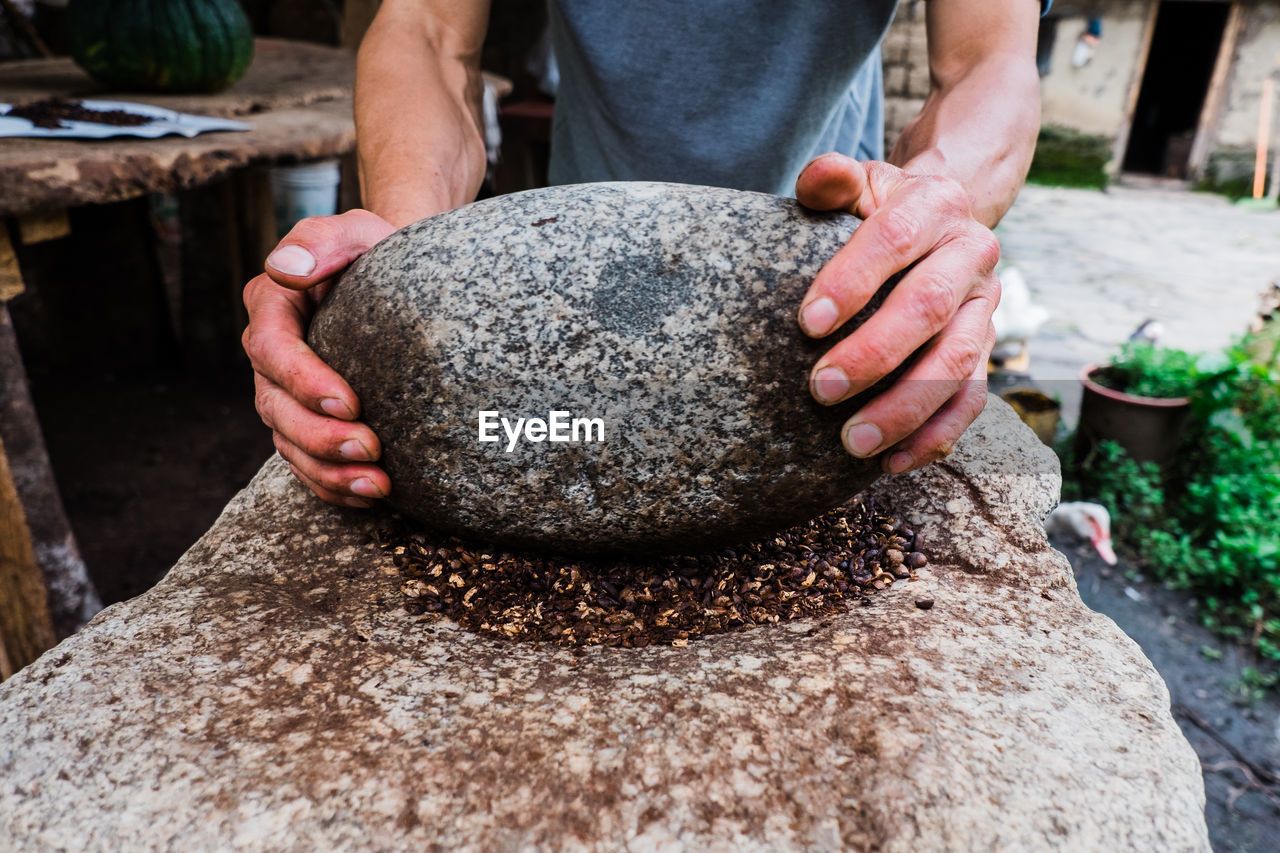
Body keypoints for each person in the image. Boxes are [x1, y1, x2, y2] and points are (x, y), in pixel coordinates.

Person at [242, 0, 1042, 509]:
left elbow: (988, 61)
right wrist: (401, 264)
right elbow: (428, 31)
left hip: (823, 276)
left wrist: (927, 212)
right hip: (570, 268)